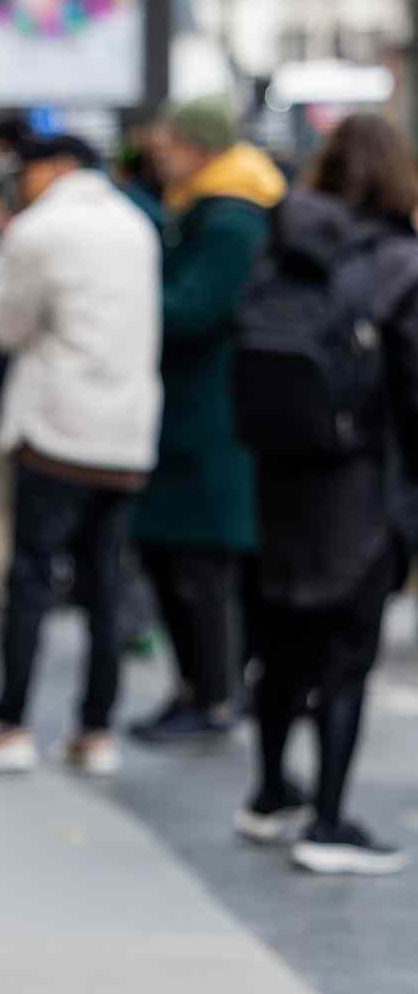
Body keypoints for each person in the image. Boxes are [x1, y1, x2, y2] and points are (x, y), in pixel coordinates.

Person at [0, 134, 162, 775]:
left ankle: (9, 724)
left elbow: (2, 325)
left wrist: (4, 257)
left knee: (31, 577)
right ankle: (96, 731)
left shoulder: (40, 229)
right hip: (125, 436)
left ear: (55, 168)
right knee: (105, 582)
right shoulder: (135, 225)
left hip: (57, 433)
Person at [234, 113, 418, 874]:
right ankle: (330, 821)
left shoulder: (280, 249)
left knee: (280, 648)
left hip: (277, 480)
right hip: (361, 485)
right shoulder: (399, 263)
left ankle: (272, 792)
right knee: (346, 655)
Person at [131, 97, 285, 743]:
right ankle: (202, 689)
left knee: (200, 567)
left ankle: (213, 696)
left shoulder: (229, 220)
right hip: (198, 413)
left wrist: (131, 294)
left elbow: (192, 311)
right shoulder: (206, 209)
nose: (160, 149)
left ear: (201, 147)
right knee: (182, 561)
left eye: (171, 139)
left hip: (210, 417)